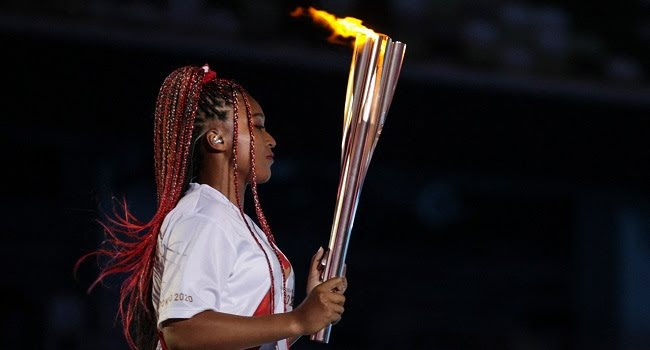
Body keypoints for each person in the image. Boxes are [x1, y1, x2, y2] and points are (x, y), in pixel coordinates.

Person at [77, 65, 348, 350]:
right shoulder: (203, 216)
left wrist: (309, 308)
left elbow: (248, 338)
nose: (271, 139)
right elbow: (183, 331)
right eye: (256, 125)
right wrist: (297, 320)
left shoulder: (235, 221)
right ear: (217, 138)